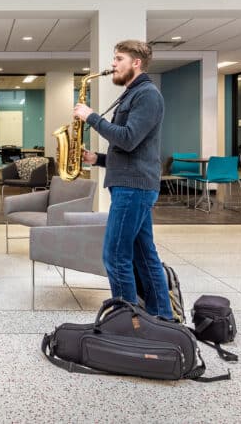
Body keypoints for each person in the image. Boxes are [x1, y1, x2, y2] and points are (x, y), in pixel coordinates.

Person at [72, 39, 174, 320]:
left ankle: (126, 323)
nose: (113, 64)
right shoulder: (134, 94)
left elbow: (128, 139)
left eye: (118, 59)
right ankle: (162, 319)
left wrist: (91, 116)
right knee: (144, 256)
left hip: (133, 188)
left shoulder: (147, 95)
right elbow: (132, 146)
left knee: (115, 256)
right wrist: (98, 159)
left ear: (136, 63)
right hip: (131, 185)